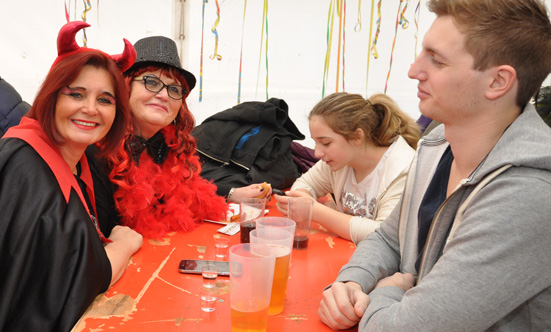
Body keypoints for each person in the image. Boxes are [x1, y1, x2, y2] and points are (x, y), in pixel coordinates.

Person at [318, 0, 551, 330]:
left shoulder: (527, 193)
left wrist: (386, 293)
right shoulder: (436, 146)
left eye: (437, 60)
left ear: (498, 82)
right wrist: (352, 284)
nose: (414, 71)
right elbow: (389, 239)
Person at [0, 21, 143, 331]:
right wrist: (124, 244)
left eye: (105, 100)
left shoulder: (83, 160)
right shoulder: (25, 166)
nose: (91, 109)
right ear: (51, 97)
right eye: (76, 95)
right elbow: (80, 279)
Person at [89, 36, 267, 239]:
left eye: (174, 89)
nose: (164, 96)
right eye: (151, 82)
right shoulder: (97, 152)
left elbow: (189, 192)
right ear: (125, 86)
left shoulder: (170, 146)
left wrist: (233, 193)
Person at [274, 92, 421, 243]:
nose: (317, 153)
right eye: (316, 143)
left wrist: (314, 211)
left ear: (357, 137)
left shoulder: (402, 169)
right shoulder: (340, 161)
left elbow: (383, 234)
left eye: (325, 143)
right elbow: (305, 184)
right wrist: (301, 198)